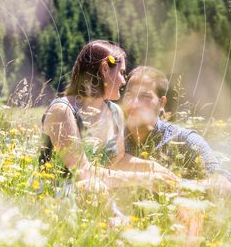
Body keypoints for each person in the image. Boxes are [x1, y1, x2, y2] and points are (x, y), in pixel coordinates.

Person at [38, 41, 180, 210]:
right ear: (105, 69)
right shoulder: (62, 111)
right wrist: (143, 179)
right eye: (121, 72)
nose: (123, 80)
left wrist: (154, 169)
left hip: (97, 194)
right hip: (55, 196)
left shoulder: (115, 112)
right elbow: (81, 173)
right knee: (94, 189)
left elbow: (117, 161)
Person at [121, 66, 231, 198]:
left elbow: (225, 185)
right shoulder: (112, 138)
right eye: (129, 95)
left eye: (144, 96)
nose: (134, 104)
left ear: (162, 103)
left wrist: (176, 185)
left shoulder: (183, 139)